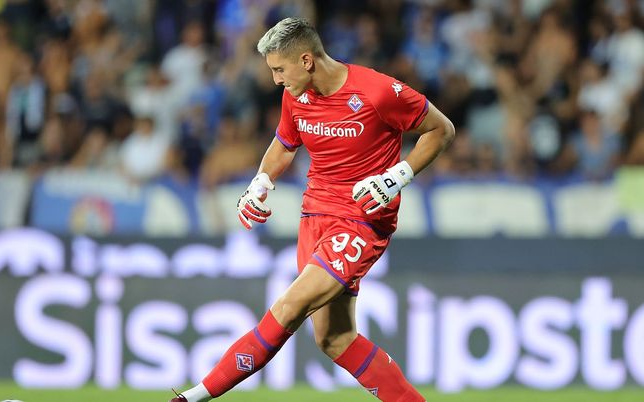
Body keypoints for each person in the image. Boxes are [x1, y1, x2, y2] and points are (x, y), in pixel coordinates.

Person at [171, 17, 455, 402]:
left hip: (361, 222)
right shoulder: (295, 94)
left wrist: (397, 176)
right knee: (334, 339)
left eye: (279, 69)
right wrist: (260, 182)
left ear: (306, 60)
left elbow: (442, 130)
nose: (275, 80)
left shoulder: (377, 91)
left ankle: (194, 396)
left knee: (289, 306)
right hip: (314, 218)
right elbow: (285, 144)